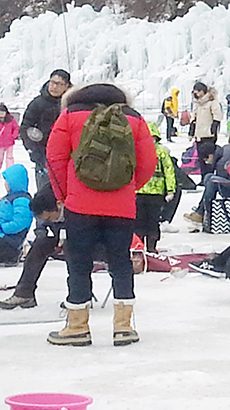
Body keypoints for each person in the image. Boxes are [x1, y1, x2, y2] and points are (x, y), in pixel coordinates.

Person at [45, 83, 157, 347]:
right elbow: (147, 163)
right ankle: (123, 327)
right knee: (120, 263)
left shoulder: (69, 116)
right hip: (122, 207)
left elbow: (54, 158)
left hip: (80, 205)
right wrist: (127, 188)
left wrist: (66, 193)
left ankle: (77, 327)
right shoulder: (134, 118)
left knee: (79, 263)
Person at [0, 185, 62, 309]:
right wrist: (42, 230)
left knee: (76, 252)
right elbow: (43, 224)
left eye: (49, 217)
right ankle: (24, 293)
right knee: (39, 247)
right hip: (61, 240)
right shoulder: (46, 203)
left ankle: (79, 298)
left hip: (85, 240)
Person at [21, 69, 71, 188]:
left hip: (68, 157)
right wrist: (34, 152)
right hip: (43, 156)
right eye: (52, 82)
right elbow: (25, 128)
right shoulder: (37, 103)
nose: (54, 87)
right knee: (45, 195)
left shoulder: (71, 103)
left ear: (67, 86)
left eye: (58, 84)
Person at [134, 122, 176, 252]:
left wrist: (170, 189)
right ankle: (139, 246)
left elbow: (169, 171)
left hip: (156, 193)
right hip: (140, 191)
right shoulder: (136, 150)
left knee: (152, 221)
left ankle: (151, 247)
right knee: (139, 221)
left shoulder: (161, 152)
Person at [0, 165, 32, 263]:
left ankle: (11, 256)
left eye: (7, 181)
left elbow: (20, 223)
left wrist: (2, 227)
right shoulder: (9, 198)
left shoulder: (22, 200)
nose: (5, 184)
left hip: (11, 239)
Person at [191, 82, 223, 179]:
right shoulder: (197, 103)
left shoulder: (212, 102)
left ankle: (209, 176)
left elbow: (218, 115)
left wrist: (214, 128)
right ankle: (203, 177)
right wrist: (191, 130)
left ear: (202, 91)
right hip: (199, 135)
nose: (195, 94)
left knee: (208, 159)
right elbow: (194, 117)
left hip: (209, 135)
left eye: (196, 92)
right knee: (201, 158)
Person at [0, 104, 19, 170]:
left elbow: (16, 128)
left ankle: (9, 171)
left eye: (3, 112)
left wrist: (13, 136)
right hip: (0, 144)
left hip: (9, 142)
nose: (1, 114)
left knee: (10, 158)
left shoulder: (11, 119)